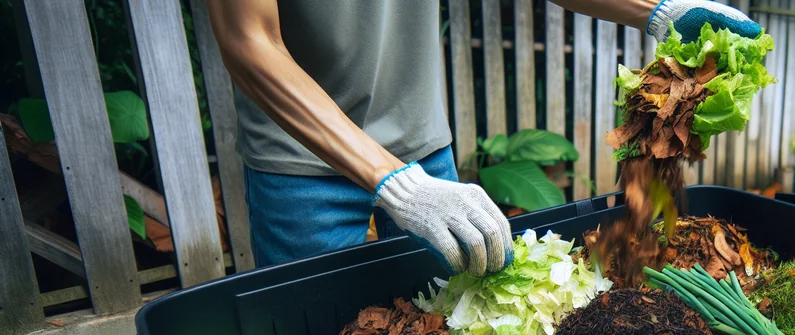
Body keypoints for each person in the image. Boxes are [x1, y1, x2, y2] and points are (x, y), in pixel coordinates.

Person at [208, 0, 761, 275]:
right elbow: (249, 40)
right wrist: (394, 184)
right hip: (302, 165)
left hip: (423, 152)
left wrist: (659, 11)